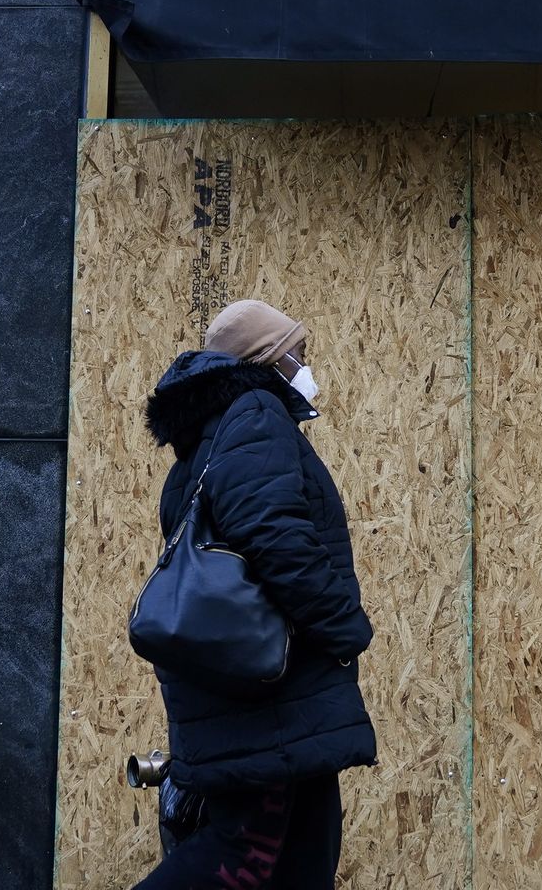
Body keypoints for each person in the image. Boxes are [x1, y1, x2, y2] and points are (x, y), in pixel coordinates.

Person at [134, 299, 376, 889]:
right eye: (298, 352)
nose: (306, 364)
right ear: (267, 357)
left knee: (304, 857)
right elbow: (272, 534)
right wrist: (343, 626)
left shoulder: (209, 438)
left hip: (263, 692)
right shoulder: (256, 412)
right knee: (242, 856)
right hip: (267, 693)